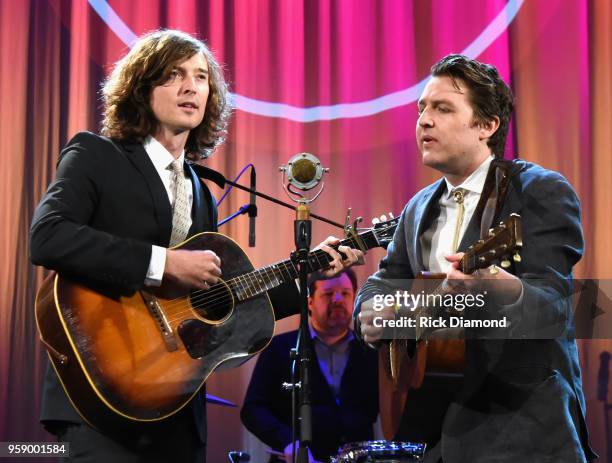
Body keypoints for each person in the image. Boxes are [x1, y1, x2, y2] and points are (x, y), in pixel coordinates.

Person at [29, 29, 363, 462]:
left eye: (202, 77)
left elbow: (223, 305)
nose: (191, 87)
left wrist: (314, 273)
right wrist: (163, 263)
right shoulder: (96, 155)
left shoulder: (200, 189)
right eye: (173, 75)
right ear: (141, 88)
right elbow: (48, 235)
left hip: (178, 409)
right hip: (102, 402)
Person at [354, 54, 597, 462]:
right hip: (432, 433)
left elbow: (556, 307)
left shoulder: (537, 191)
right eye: (422, 109)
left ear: (487, 126)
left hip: (524, 434)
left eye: (442, 108)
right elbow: (384, 280)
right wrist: (373, 309)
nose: (424, 120)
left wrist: (509, 292)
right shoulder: (418, 207)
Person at [241, 269, 379, 463]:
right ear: (309, 302)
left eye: (346, 293)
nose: (338, 299)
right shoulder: (279, 349)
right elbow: (253, 410)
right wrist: (287, 442)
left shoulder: (372, 351)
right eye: (328, 294)